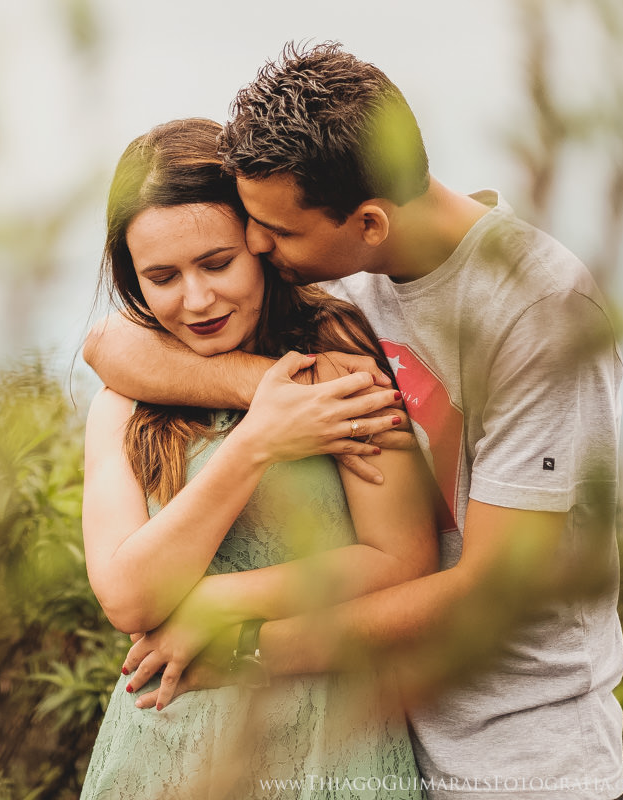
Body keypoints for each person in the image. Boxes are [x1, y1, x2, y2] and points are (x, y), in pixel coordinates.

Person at [89, 43, 623, 800]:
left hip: (518, 755)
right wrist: (275, 395)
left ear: (368, 222)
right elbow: (110, 344)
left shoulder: (538, 310)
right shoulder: (355, 277)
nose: (256, 247)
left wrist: (239, 640)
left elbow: (492, 590)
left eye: (271, 232)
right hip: (386, 738)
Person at [79, 117, 438, 799]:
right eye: (162, 276)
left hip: (329, 742)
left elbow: (401, 558)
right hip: (168, 753)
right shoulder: (123, 403)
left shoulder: (336, 359)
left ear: (259, 242)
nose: (198, 299)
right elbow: (127, 596)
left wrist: (212, 607)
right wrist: (257, 440)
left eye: (218, 264)